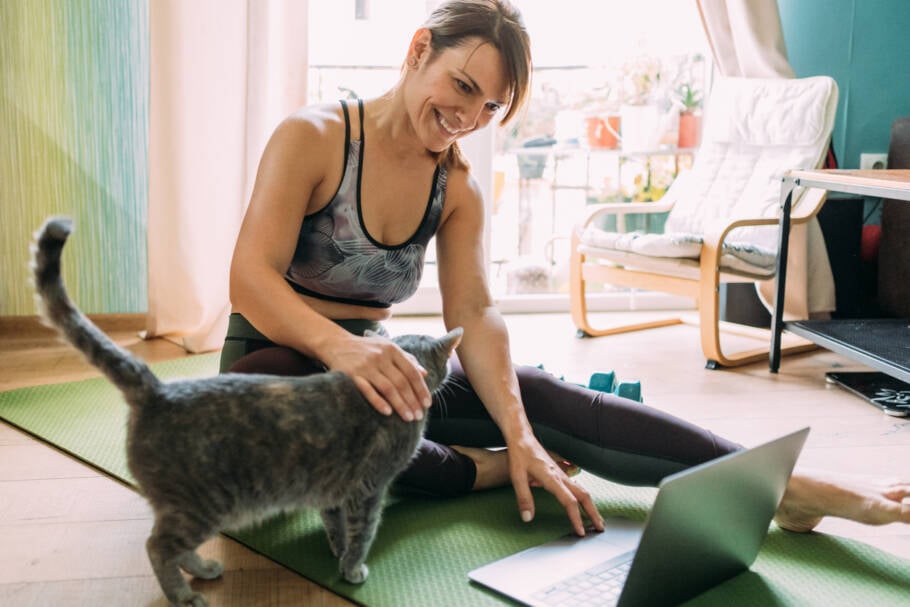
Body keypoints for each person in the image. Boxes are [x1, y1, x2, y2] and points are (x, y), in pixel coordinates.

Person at [222, 0, 909, 538]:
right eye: (461, 86)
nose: (466, 116)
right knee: (284, 418)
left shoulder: (454, 188)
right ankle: (476, 471)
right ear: (417, 50)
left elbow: (477, 315)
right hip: (278, 363)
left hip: (380, 373)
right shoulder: (314, 138)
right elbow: (250, 277)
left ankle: (786, 489)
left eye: (489, 107)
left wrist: (520, 428)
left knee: (538, 395)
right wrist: (344, 351)